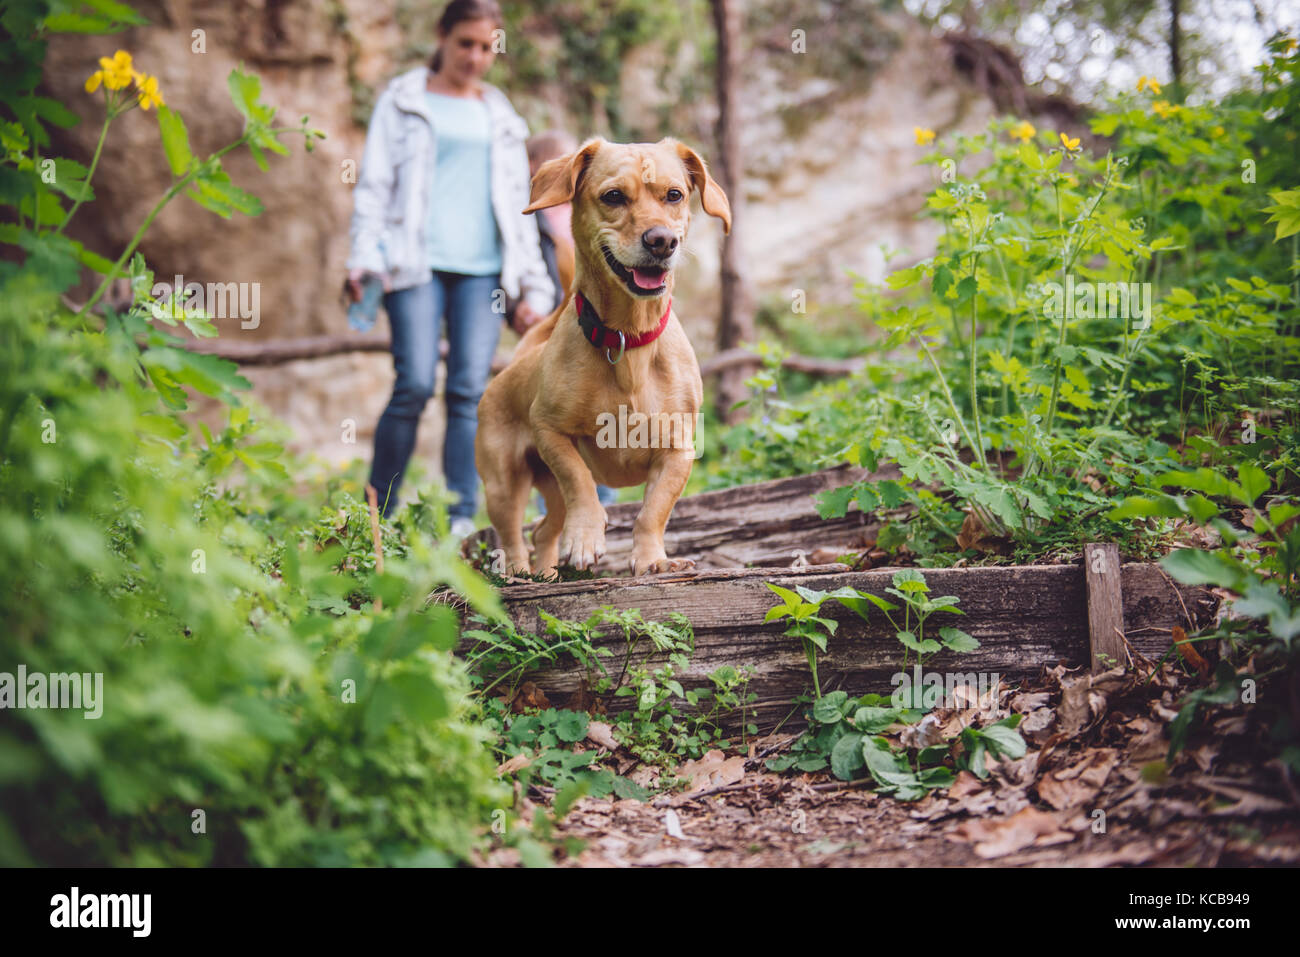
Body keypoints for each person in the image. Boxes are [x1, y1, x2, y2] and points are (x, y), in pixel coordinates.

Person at [344, 0, 555, 537]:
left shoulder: (500, 114)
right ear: (442, 35)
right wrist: (365, 256)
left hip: (484, 271)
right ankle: (379, 514)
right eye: (466, 43)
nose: (476, 57)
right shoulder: (403, 100)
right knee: (413, 381)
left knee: (468, 391)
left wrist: (531, 282)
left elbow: (517, 203)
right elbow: (374, 185)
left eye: (487, 47)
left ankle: (461, 517)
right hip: (414, 264)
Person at [519, 130, 618, 512]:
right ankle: (556, 514)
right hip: (552, 331)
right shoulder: (528, 217)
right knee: (558, 422)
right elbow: (518, 271)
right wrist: (520, 308)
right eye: (562, 159)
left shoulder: (592, 207)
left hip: (597, 329)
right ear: (536, 167)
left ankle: (604, 507)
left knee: (603, 416)